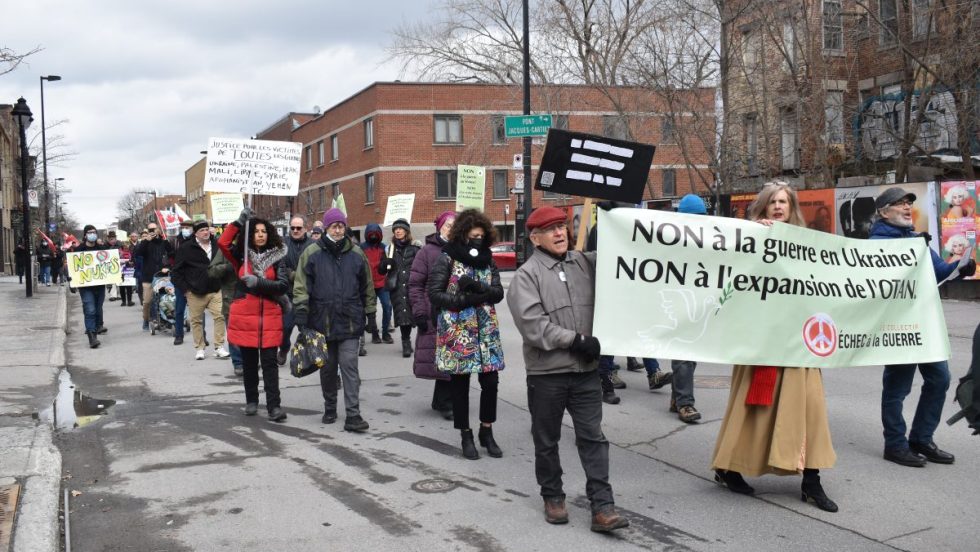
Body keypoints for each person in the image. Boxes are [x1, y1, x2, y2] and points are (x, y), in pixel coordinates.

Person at [711, 181, 838, 513]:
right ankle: (729, 467)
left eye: (784, 201)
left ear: (792, 206)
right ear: (764, 207)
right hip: (762, 340)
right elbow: (729, 267)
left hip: (800, 342)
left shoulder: (808, 243)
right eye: (772, 202)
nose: (778, 207)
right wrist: (751, 232)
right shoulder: (751, 236)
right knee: (752, 408)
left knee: (810, 409)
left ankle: (812, 482)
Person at [506, 205, 629, 532]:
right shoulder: (525, 276)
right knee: (546, 439)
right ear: (535, 238)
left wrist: (614, 218)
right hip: (548, 375)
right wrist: (576, 341)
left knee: (593, 438)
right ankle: (553, 496)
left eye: (562, 226)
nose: (560, 233)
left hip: (586, 373)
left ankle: (603, 507)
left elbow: (620, 258)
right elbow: (534, 326)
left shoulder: (583, 263)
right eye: (551, 229)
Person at [870, 186, 976, 467]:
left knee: (939, 379)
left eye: (909, 203)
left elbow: (940, 273)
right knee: (897, 387)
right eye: (899, 204)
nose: (907, 208)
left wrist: (960, 268)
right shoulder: (875, 244)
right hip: (898, 326)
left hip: (925, 324)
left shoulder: (917, 241)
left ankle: (921, 438)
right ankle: (895, 444)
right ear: (883, 212)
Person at [428, 209, 505, 459]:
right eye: (473, 235)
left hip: (486, 331)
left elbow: (498, 293)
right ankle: (465, 434)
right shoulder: (447, 258)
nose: (478, 240)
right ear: (463, 234)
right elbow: (435, 294)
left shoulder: (488, 259)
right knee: (460, 386)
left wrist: (481, 289)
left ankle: (487, 429)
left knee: (491, 383)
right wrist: (464, 299)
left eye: (481, 236)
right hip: (458, 331)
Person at [293, 208, 375, 432]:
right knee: (328, 369)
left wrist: (371, 313)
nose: (338, 229)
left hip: (350, 320)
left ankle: (353, 414)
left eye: (341, 226)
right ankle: (330, 406)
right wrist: (301, 309)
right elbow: (301, 285)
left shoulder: (357, 253)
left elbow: (367, 285)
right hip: (322, 321)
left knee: (350, 366)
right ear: (327, 228)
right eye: (334, 226)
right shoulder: (312, 253)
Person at [217, 209, 288, 422]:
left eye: (264, 231)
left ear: (270, 234)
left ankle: (274, 406)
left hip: (269, 317)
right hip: (245, 317)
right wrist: (238, 222)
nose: (260, 234)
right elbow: (223, 243)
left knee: (269, 364)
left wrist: (260, 283)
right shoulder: (241, 256)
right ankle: (251, 401)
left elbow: (283, 285)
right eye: (256, 231)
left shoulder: (278, 257)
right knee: (249, 364)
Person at [408, 211, 456, 420]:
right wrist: (419, 311)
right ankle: (447, 403)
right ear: (439, 227)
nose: (451, 229)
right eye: (447, 225)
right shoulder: (426, 252)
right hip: (435, 310)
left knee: (455, 355)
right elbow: (415, 285)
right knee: (445, 356)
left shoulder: (462, 250)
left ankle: (442, 400)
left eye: (455, 225)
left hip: (458, 310)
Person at [666, 194, 707, 423]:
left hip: (698, 301)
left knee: (690, 356)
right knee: (684, 352)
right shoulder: (670, 239)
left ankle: (676, 397)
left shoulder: (710, 239)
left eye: (700, 217)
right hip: (678, 302)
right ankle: (685, 403)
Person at [173, 220, 230, 361]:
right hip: (195, 291)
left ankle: (219, 346)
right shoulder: (186, 248)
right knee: (196, 321)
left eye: (206, 229)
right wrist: (185, 290)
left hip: (215, 289)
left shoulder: (217, 245)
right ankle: (199, 348)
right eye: (202, 230)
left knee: (220, 316)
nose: (205, 232)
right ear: (196, 233)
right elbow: (176, 272)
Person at [381, 218, 421, 358]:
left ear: (406, 231)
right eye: (395, 229)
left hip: (411, 285)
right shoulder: (389, 249)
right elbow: (381, 270)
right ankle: (405, 342)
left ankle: (413, 341)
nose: (398, 231)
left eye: (400, 228)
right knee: (402, 313)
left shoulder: (415, 248)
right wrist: (385, 263)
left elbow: (420, 268)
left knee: (411, 313)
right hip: (397, 286)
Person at [209, 226, 245, 376]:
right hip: (231, 298)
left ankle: (250, 360)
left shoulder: (253, 251)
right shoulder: (225, 252)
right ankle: (238, 362)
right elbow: (212, 271)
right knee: (234, 332)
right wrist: (229, 267)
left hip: (250, 297)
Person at [280, 215, 314, 365]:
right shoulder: (283, 245)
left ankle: (311, 355)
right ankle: (284, 348)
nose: (295, 230)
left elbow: (315, 268)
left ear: (305, 228)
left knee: (308, 329)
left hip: (308, 294)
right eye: (292, 228)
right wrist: (295, 275)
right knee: (285, 327)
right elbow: (280, 266)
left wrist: (299, 275)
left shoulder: (313, 245)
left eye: (298, 228)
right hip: (288, 294)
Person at [72, 225, 109, 348]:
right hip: (86, 286)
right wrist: (72, 281)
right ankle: (92, 336)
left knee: (98, 309)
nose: (92, 234)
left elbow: (109, 263)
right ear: (85, 235)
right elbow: (73, 267)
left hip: (100, 285)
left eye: (94, 232)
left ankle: (97, 326)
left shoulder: (101, 249)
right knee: (90, 309)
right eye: (90, 232)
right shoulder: (79, 250)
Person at [133, 222, 174, 332]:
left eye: (154, 229)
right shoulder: (145, 242)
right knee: (147, 301)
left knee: (165, 298)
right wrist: (146, 241)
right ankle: (147, 320)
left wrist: (167, 266)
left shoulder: (164, 242)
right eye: (150, 230)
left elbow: (172, 255)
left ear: (158, 229)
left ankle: (165, 319)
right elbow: (138, 254)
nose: (152, 232)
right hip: (148, 277)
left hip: (163, 276)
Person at [361, 223, 393, 345]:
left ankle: (385, 333)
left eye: (376, 234)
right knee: (371, 311)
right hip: (368, 284)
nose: (373, 236)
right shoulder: (362, 248)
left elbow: (389, 263)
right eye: (371, 234)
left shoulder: (384, 247)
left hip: (382, 283)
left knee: (387, 307)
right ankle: (375, 334)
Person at [170, 220, 195, 345]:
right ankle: (179, 335)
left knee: (198, 311)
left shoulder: (197, 240)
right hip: (180, 280)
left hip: (195, 281)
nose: (185, 229)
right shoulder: (175, 241)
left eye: (188, 227)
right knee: (179, 310)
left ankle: (202, 336)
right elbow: (170, 258)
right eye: (183, 227)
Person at [117, 236, 136, 306]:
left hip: (129, 270)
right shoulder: (119, 252)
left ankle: (129, 301)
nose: (126, 247)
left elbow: (134, 260)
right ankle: (123, 301)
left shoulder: (131, 252)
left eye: (127, 245)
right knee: (121, 286)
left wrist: (132, 262)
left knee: (129, 286)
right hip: (121, 270)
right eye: (125, 245)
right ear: (122, 245)